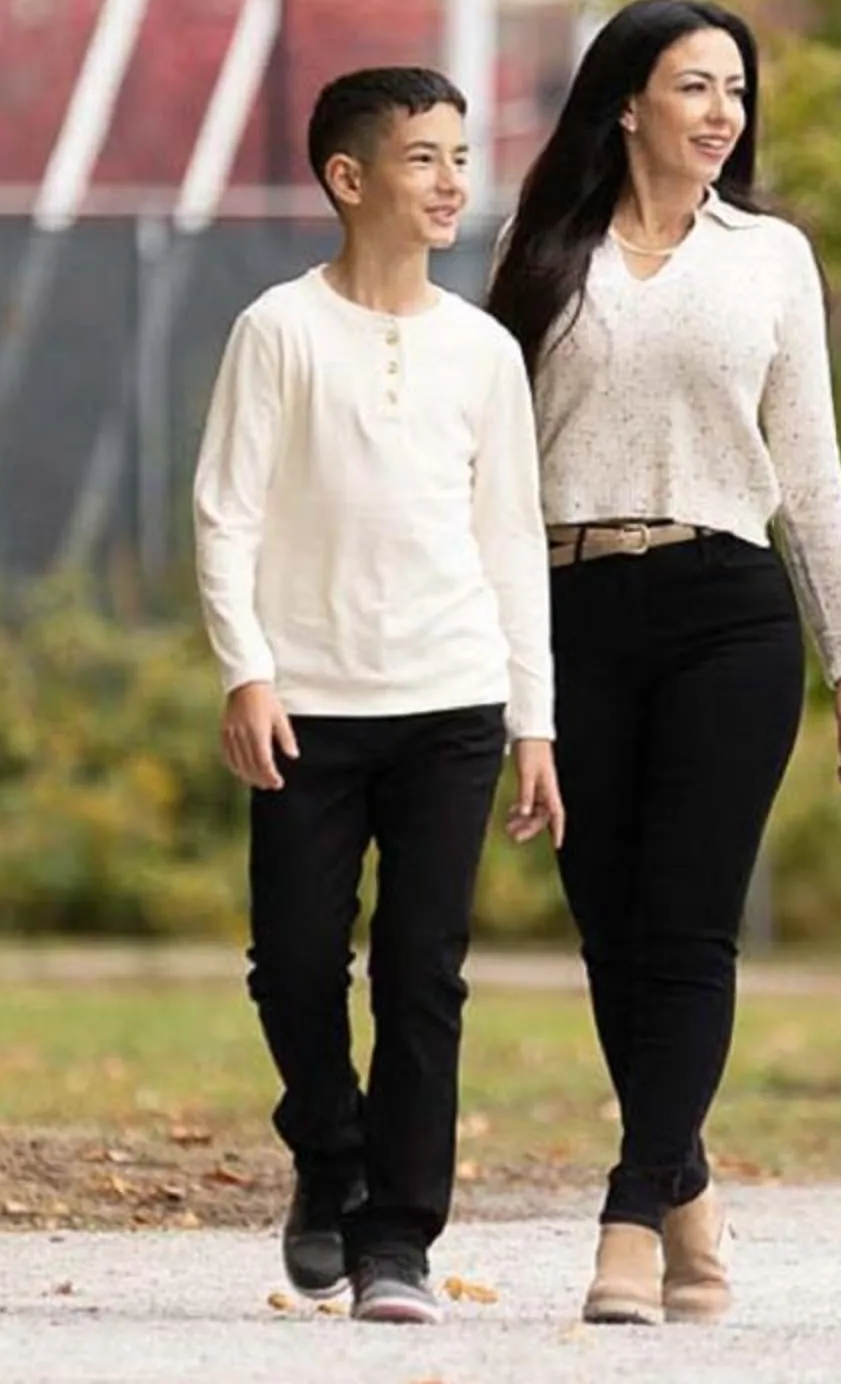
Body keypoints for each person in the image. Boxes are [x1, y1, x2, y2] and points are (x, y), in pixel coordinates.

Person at [484, 0, 841, 1328]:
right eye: (696, 86)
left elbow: (812, 473)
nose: (723, 112)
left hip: (728, 611)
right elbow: (488, 478)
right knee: (612, 931)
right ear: (626, 103)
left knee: (689, 926)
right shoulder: (543, 257)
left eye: (736, 90)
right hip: (571, 607)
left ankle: (628, 1223)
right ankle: (690, 1192)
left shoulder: (771, 259)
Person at [192, 66, 565, 1326]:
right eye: (424, 157)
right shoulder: (278, 332)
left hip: (453, 699)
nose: (453, 178)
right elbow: (225, 511)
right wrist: (245, 665)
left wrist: (534, 719)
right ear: (349, 178)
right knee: (293, 965)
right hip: (306, 703)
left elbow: (511, 537)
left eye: (461, 154)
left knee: (424, 970)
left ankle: (396, 1233)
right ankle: (330, 1157)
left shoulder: (485, 350)